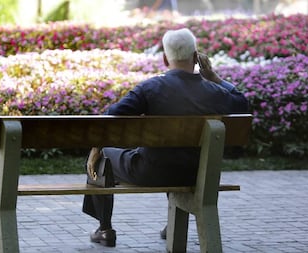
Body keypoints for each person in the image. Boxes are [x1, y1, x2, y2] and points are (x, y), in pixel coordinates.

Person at [82, 28, 249, 247]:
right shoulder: (215, 91)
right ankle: (172, 225)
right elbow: (242, 103)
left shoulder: (151, 88)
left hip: (151, 172)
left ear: (164, 58)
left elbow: (110, 119)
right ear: (196, 56)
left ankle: (105, 229)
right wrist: (215, 78)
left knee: (105, 155)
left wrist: (96, 148)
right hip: (199, 173)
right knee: (179, 154)